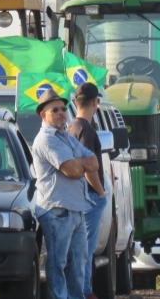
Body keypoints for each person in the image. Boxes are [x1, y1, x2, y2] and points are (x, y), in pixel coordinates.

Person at [32, 89, 100, 299]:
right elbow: (72, 171)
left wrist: (76, 163)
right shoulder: (46, 139)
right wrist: (79, 164)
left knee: (78, 265)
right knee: (58, 264)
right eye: (55, 110)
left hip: (77, 209)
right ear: (43, 115)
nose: (62, 112)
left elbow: (94, 162)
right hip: (56, 211)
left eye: (63, 108)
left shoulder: (66, 138)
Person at [67, 83, 107, 299]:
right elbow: (89, 168)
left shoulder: (71, 127)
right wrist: (101, 192)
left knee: (80, 247)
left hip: (77, 196)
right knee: (86, 248)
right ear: (94, 102)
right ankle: (84, 290)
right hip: (90, 196)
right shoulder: (88, 130)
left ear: (76, 102)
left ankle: (81, 289)